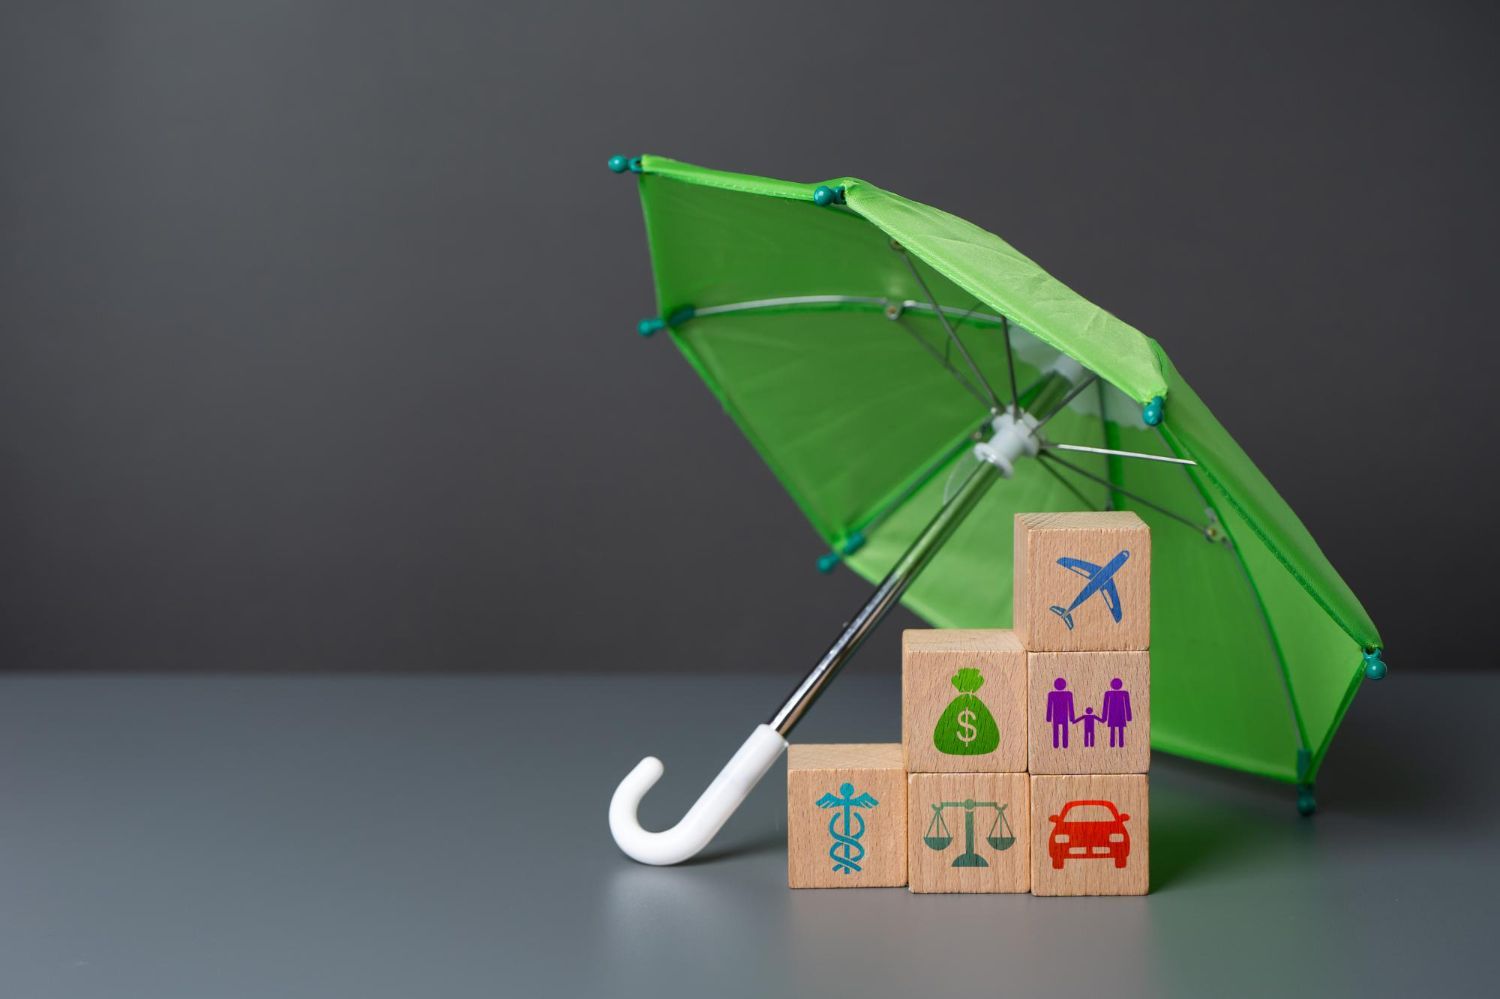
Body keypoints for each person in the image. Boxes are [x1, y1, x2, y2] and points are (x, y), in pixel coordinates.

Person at [1101, 678, 1133, 747]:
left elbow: (1105, 706)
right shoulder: (1108, 693)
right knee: (1116, 729)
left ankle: (1117, 744)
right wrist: (1129, 717)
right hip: (1117, 714)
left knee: (1116, 729)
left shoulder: (1124, 693)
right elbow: (1105, 705)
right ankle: (1115, 744)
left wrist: (1104, 717)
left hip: (1117, 714)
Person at [1046, 678, 1075, 748]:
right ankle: (1064, 744)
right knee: (1063, 730)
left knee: (1056, 730)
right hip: (1063, 715)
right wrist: (1072, 717)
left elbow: (1049, 706)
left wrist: (1048, 717)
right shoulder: (1068, 694)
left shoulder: (1052, 694)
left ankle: (1057, 744)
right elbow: (1071, 706)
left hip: (1057, 715)